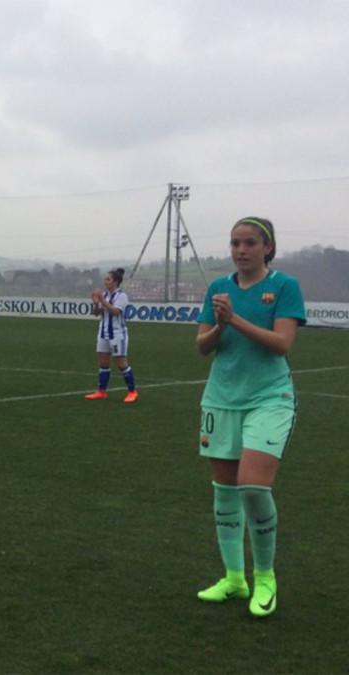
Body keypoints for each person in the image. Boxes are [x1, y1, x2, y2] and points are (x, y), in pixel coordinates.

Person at [193, 217, 304, 618]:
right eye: (235, 243)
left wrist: (235, 319)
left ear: (267, 248)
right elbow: (202, 346)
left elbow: (282, 344)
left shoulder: (284, 287)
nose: (241, 250)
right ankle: (234, 578)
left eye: (250, 243)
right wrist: (219, 327)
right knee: (223, 492)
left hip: (269, 398)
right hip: (221, 399)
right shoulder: (218, 289)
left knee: (254, 488)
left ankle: (266, 578)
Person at [84, 268, 138, 403]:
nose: (105, 281)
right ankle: (101, 391)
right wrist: (96, 304)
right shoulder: (105, 295)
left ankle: (132, 391)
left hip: (117, 334)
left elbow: (115, 312)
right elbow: (96, 313)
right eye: (105, 279)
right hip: (103, 332)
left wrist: (101, 300)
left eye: (108, 279)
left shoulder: (121, 296)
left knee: (121, 364)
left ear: (115, 282)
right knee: (103, 363)